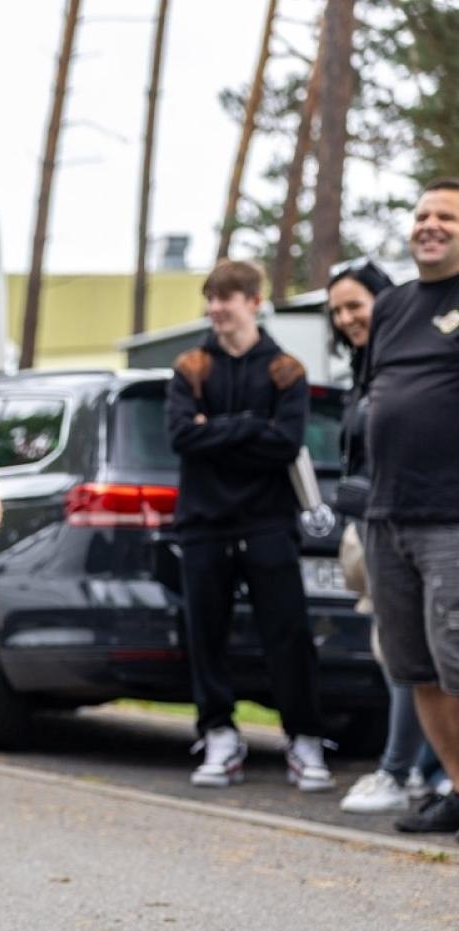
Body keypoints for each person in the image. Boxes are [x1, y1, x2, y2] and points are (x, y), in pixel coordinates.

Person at [165, 260, 333, 791]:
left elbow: (286, 443)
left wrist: (214, 427)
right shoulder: (190, 366)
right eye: (211, 299)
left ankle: (304, 739)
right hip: (202, 525)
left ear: (253, 302)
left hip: (267, 523)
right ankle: (218, 734)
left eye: (227, 298)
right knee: (206, 633)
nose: (216, 309)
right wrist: (249, 428)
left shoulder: (286, 369)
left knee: (288, 633)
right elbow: (180, 438)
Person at [362, 178, 459, 837]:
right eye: (422, 214)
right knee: (415, 665)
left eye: (446, 216)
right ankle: (456, 785)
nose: (429, 225)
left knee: (456, 661)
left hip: (451, 517)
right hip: (385, 516)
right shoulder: (391, 306)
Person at [327, 262, 441, 815]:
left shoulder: (424, 356)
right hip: (375, 524)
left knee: (431, 654)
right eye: (339, 311)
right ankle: (420, 770)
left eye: (356, 305)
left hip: (427, 520)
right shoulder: (365, 368)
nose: (348, 318)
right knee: (399, 653)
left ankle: (404, 769)